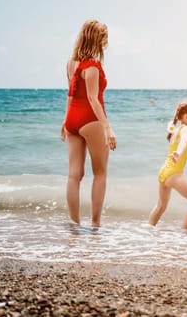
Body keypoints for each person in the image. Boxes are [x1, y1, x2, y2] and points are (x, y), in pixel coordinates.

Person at [60, 20, 117, 227]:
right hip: (90, 120)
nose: (105, 44)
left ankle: (74, 223)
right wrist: (107, 128)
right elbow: (93, 100)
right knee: (100, 173)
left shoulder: (70, 63)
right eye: (103, 39)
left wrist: (65, 121)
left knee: (74, 175)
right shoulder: (92, 66)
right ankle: (95, 224)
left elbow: (70, 94)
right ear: (96, 39)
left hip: (72, 120)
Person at [149, 100, 187, 230]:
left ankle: (148, 231)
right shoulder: (186, 129)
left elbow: (186, 152)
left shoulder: (177, 130)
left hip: (164, 172)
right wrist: (178, 152)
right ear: (186, 117)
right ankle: (183, 235)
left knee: (161, 206)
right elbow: (182, 145)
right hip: (173, 173)